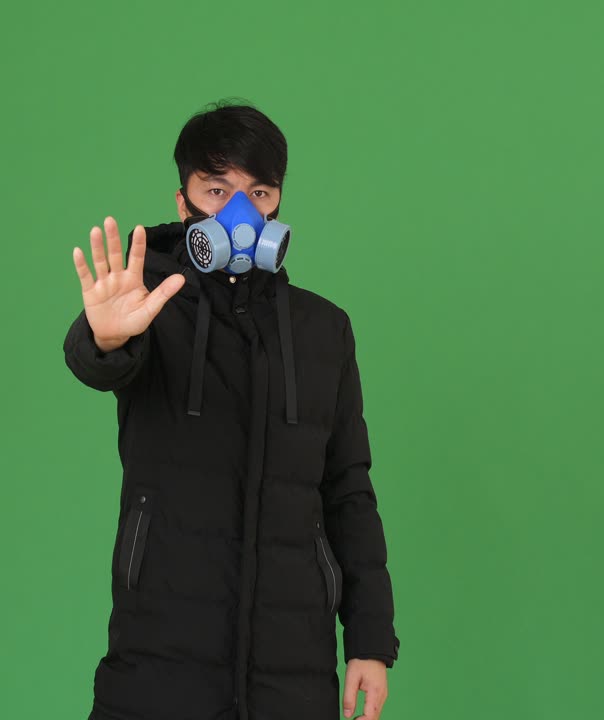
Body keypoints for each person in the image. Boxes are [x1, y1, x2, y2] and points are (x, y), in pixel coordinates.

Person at [63, 100, 399, 720]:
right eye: (216, 189)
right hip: (157, 669)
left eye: (259, 191)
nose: (239, 211)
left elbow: (349, 489)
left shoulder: (324, 330)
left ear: (278, 202)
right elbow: (100, 361)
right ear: (182, 199)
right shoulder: (147, 306)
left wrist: (371, 640)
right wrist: (105, 336)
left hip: (290, 678)